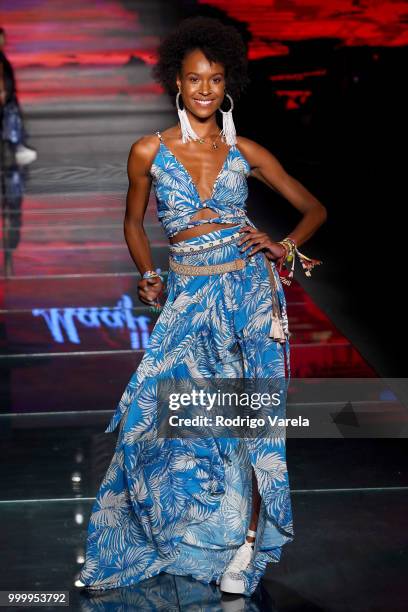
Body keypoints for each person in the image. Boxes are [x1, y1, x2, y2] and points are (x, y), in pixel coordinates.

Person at [77, 16, 327, 598]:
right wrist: (147, 273)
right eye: (195, 80)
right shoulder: (148, 151)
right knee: (149, 416)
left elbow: (313, 208)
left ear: (227, 83)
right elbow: (132, 223)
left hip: (248, 296)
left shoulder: (247, 150)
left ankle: (243, 547)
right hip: (188, 297)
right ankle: (143, 539)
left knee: (251, 424)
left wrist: (282, 245)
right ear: (178, 85)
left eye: (215, 79)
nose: (206, 90)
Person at [0, 26, 37, 165]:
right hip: (5, 99)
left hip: (7, 97)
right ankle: (17, 149)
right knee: (11, 122)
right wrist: (3, 92)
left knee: (11, 123)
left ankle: (17, 148)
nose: (3, 40)